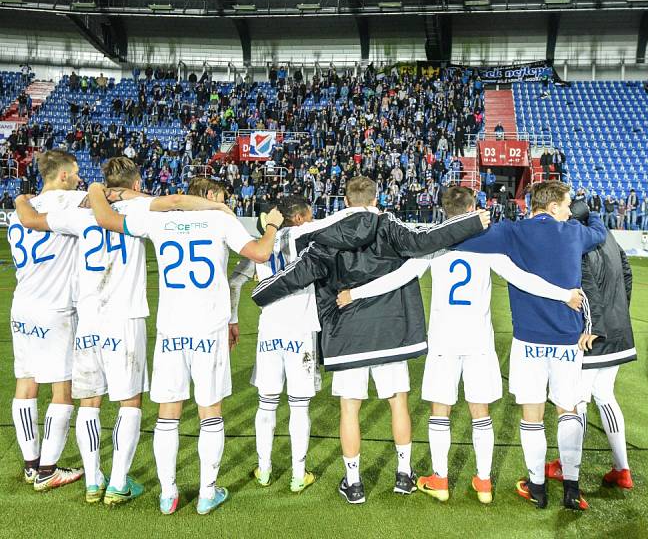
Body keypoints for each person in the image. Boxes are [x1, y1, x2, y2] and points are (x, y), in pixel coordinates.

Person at [336, 186, 584, 505]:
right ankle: (483, 482)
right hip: (479, 339)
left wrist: (355, 293)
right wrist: (563, 294)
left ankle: (440, 479)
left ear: (444, 210)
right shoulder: (488, 246)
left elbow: (398, 277)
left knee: (441, 409)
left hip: (443, 340)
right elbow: (522, 278)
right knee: (480, 412)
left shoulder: (433, 245)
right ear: (472, 208)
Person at [251, 176, 489, 505]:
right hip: (392, 329)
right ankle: (404, 475)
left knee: (350, 409)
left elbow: (300, 272)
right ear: (376, 198)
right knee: (398, 403)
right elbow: (425, 241)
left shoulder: (325, 235)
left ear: (345, 201)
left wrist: (261, 294)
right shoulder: (388, 225)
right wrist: (473, 221)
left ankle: (354, 482)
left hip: (346, 332)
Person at [14, 157, 229, 505]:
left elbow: (30, 220)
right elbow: (175, 201)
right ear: (136, 181)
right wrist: (218, 209)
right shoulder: (140, 206)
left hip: (87, 316)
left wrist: (20, 199)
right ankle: (117, 483)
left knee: (90, 401)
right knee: (129, 402)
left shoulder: (81, 209)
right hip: (125, 316)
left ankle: (93, 482)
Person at [87, 177, 281, 516]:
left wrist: (95, 190)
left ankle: (168, 494)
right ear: (207, 195)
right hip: (209, 329)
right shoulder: (221, 219)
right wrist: (272, 227)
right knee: (210, 411)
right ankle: (207, 493)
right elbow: (261, 253)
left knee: (168, 414)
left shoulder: (158, 219)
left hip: (171, 330)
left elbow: (106, 219)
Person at [455, 180, 607, 510]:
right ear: (553, 208)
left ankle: (537, 487)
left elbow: (465, 238)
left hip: (528, 340)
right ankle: (571, 487)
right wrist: (588, 214)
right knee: (568, 410)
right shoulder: (575, 233)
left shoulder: (514, 231)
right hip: (568, 339)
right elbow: (600, 232)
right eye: (566, 205)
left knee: (532, 416)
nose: (569, 210)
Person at [227, 196, 321, 494]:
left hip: (270, 332)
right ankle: (298, 474)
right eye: (309, 213)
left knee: (266, 403)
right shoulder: (311, 240)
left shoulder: (262, 244)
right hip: (302, 330)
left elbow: (234, 281)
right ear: (300, 217)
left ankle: (264, 469)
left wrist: (232, 318)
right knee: (299, 405)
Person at [9, 150, 85, 491]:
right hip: (55, 311)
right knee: (62, 390)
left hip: (22, 306)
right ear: (65, 176)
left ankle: (30, 465)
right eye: (77, 173)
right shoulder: (71, 203)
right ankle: (49, 470)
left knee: (25, 384)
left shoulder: (19, 213)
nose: (81, 178)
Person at [546, 200, 636, 489]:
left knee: (577, 400)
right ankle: (622, 469)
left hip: (593, 336)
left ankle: (567, 465)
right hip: (620, 330)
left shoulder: (580, 244)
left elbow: (588, 287)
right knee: (605, 395)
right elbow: (627, 274)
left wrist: (595, 327)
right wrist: (619, 315)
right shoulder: (609, 237)